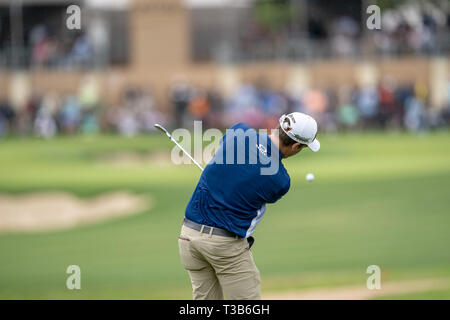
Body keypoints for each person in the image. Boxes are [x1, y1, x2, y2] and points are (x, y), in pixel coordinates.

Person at [178, 112, 320, 300]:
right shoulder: (279, 180)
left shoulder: (239, 130)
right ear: (296, 146)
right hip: (223, 247)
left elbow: (229, 155)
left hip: (188, 237)